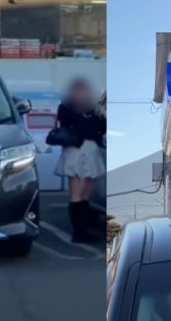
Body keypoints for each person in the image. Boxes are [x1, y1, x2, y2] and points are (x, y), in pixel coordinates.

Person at [54, 78, 106, 243]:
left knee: (86, 193)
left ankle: (84, 229)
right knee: (76, 193)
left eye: (85, 90)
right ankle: (78, 232)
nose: (82, 93)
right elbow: (78, 126)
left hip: (92, 150)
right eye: (79, 90)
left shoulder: (94, 108)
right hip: (76, 150)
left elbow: (100, 129)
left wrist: (102, 115)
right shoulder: (67, 107)